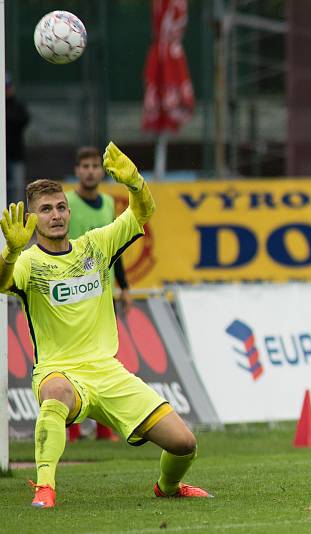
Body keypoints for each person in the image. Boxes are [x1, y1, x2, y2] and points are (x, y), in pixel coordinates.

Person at [0, 142, 212, 509]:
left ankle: (168, 486)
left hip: (108, 371)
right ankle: (45, 488)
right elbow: (2, 282)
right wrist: (10, 252)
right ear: (32, 218)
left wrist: (135, 184)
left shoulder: (95, 246)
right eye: (46, 209)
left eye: (61, 207)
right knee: (56, 393)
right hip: (59, 369)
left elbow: (143, 212)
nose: (56, 215)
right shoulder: (29, 263)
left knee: (184, 444)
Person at [66, 146, 133, 443]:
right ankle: (73, 429)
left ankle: (105, 430)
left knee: (106, 356)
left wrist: (125, 286)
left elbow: (114, 250)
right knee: (71, 359)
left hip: (102, 293)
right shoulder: (65, 203)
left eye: (95, 165)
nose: (91, 171)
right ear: (77, 170)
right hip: (71, 292)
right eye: (85, 166)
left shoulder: (108, 203)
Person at [6, 73, 31, 203]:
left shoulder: (17, 105)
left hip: (15, 155)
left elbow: (23, 119)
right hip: (3, 157)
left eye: (8, 87)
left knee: (17, 188)